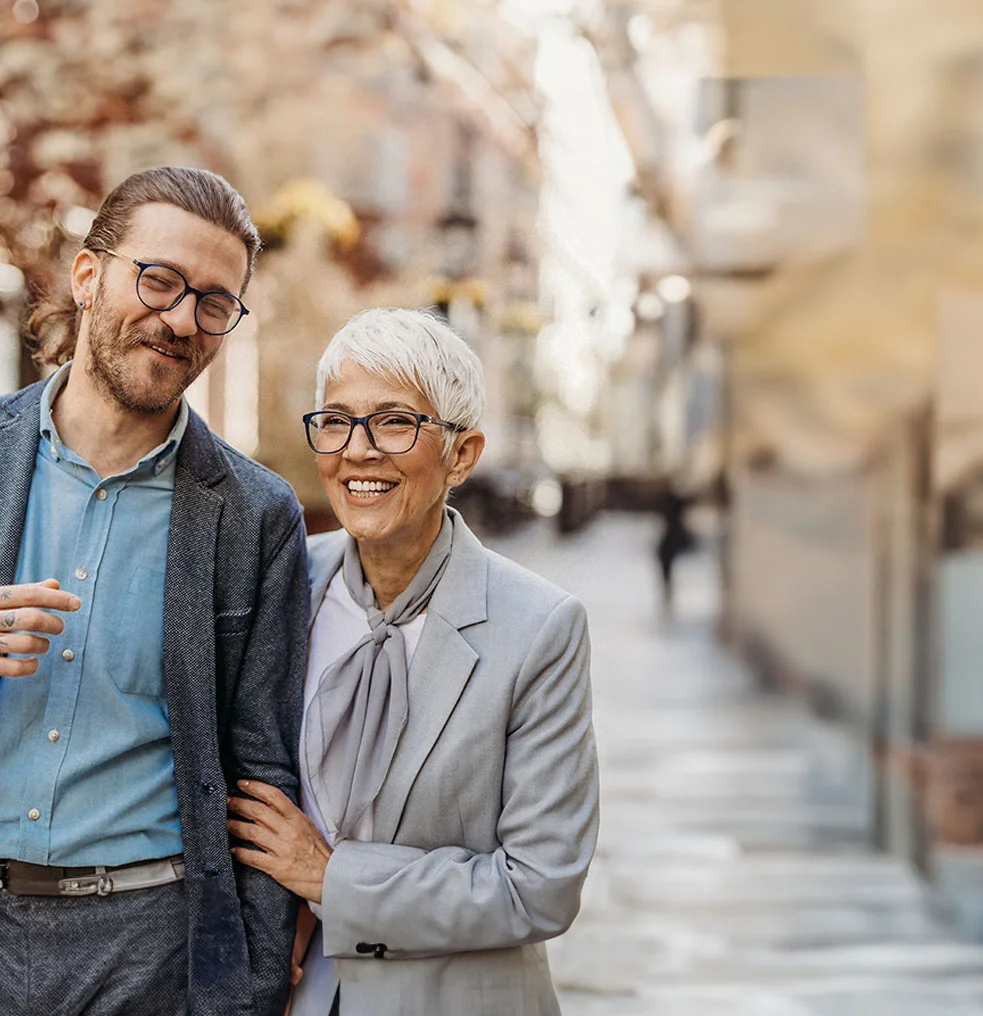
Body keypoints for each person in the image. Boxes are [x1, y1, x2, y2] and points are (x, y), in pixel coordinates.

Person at [226, 307, 599, 1016]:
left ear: (462, 454)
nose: (357, 451)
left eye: (395, 422)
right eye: (336, 421)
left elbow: (540, 886)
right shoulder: (283, 586)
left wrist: (334, 878)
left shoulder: (540, 628)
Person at [0, 166, 307, 1016]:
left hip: (154, 950)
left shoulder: (256, 514)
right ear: (89, 276)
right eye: (160, 280)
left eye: (213, 302)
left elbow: (263, 765)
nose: (180, 319)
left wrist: (249, 976)